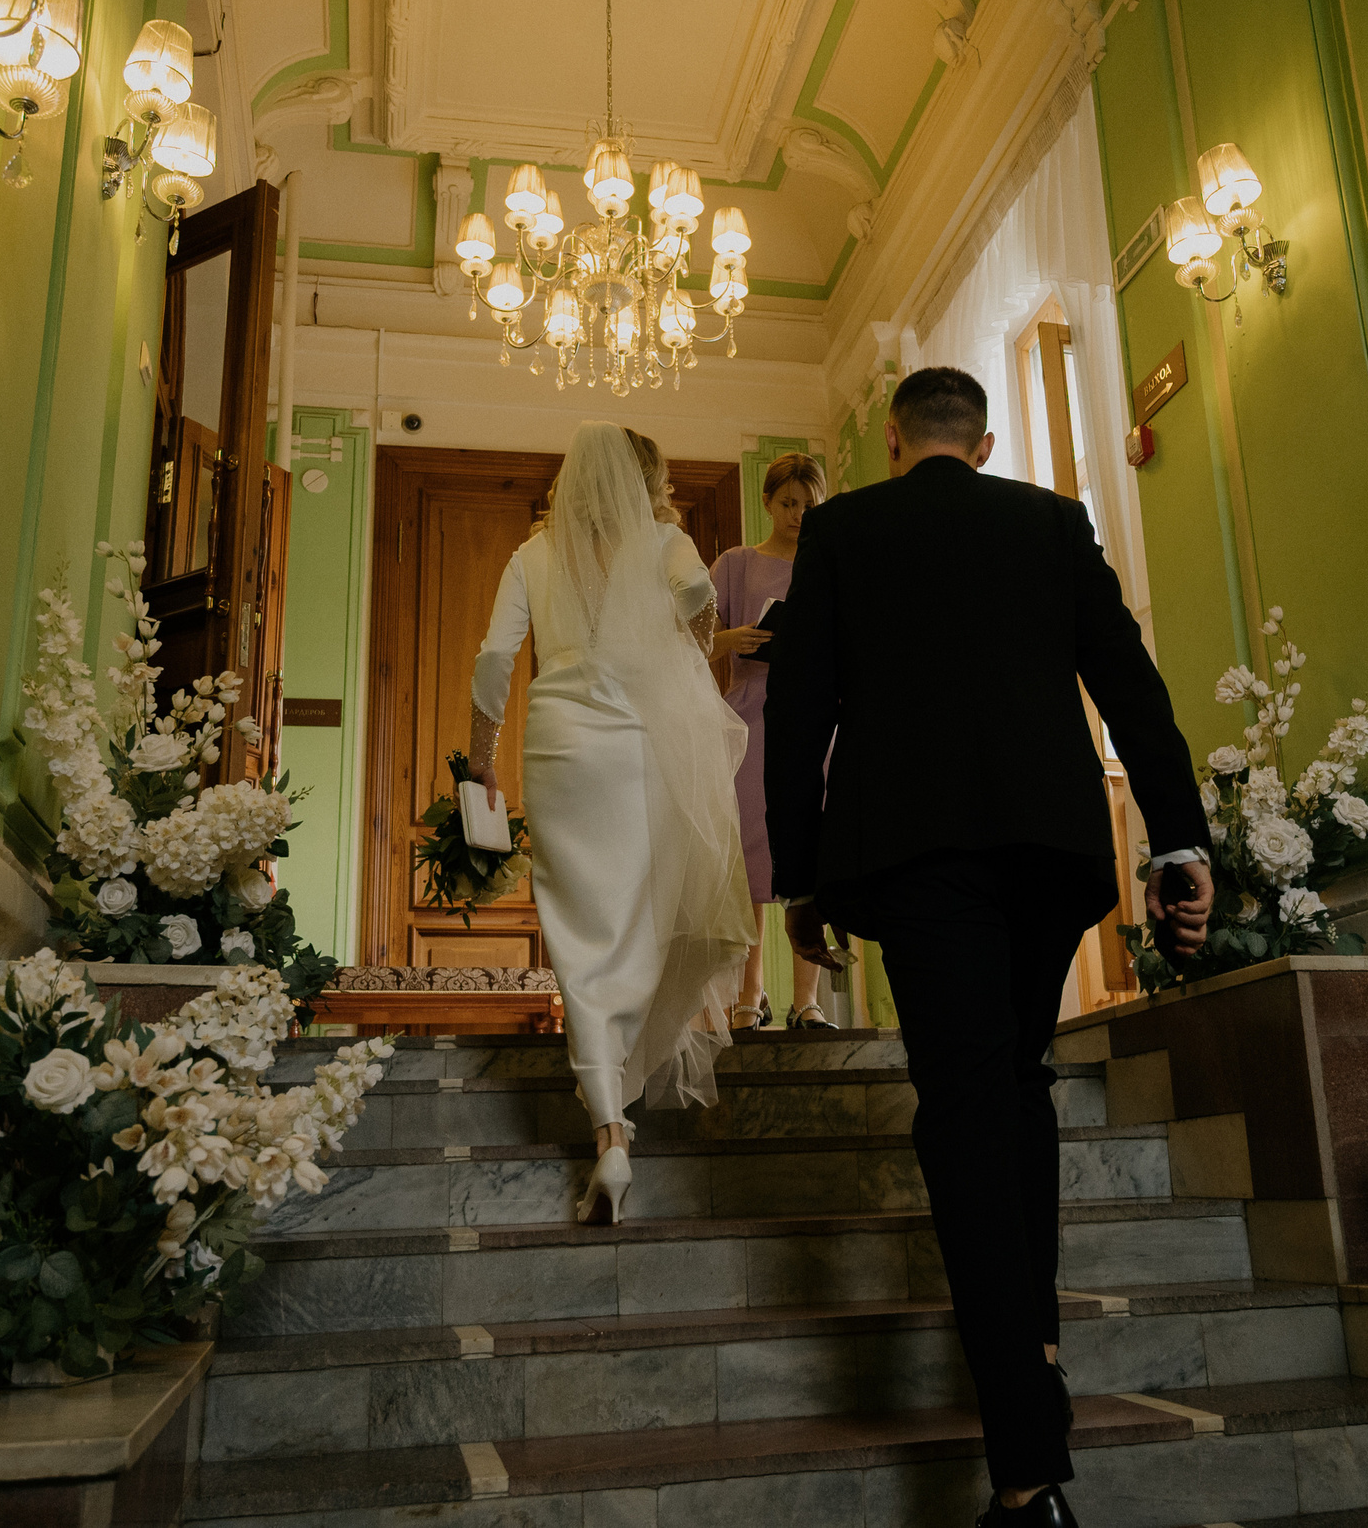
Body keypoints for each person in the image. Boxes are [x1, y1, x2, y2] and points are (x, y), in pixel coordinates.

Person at [764, 366, 1212, 1528]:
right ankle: (1040, 1346)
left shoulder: (845, 528)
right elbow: (1130, 682)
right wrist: (1179, 840)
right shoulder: (1050, 520)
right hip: (1046, 844)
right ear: (984, 437)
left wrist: (800, 875)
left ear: (897, 438)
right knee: (1015, 1081)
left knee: (964, 1100)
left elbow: (799, 707)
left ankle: (1025, 1468)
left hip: (910, 853)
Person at [468, 422, 756, 1225]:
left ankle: (609, 1132)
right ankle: (619, 1110)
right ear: (642, 482)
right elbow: (703, 618)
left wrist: (480, 757)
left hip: (560, 750)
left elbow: (496, 661)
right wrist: (681, 663)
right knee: (640, 915)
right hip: (637, 744)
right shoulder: (666, 541)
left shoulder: (531, 555)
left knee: (578, 935)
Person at [708, 451, 842, 1032]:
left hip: (818, 722)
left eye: (810, 505)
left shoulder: (831, 563)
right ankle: (748, 994)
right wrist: (729, 638)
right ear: (767, 501)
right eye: (789, 503)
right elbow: (684, 642)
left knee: (809, 853)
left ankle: (808, 1002)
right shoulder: (735, 564)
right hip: (749, 719)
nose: (798, 515)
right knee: (752, 860)